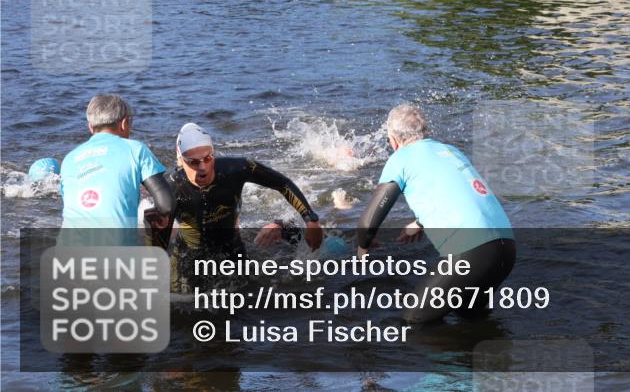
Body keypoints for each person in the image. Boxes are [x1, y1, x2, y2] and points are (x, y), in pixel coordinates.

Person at [357, 104, 515, 323]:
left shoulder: (400, 159)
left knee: (413, 321)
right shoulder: (451, 151)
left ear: (393, 139)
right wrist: (420, 222)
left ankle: (446, 358)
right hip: (506, 249)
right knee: (472, 318)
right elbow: (461, 192)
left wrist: (362, 246)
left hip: (471, 253)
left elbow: (370, 219)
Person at [148, 122, 323, 292]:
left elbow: (282, 183)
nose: (202, 167)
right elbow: (157, 245)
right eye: (193, 162)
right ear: (180, 160)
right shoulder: (170, 189)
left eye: (208, 158)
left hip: (232, 251)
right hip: (188, 260)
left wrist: (311, 220)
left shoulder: (235, 169)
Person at [59, 95, 175, 235]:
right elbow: (166, 204)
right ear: (124, 123)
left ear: (90, 127)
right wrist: (161, 217)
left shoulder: (69, 159)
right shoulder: (135, 149)